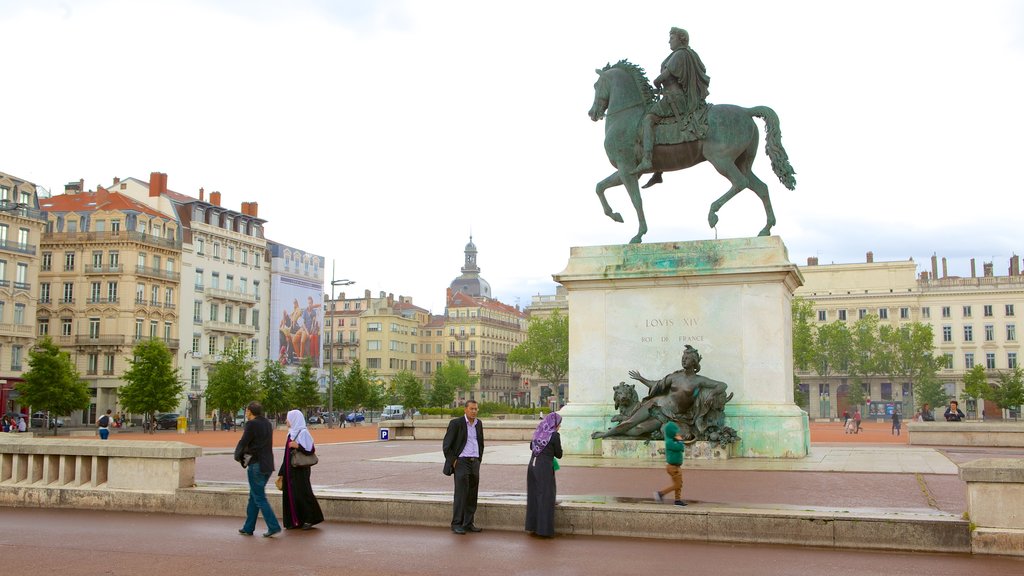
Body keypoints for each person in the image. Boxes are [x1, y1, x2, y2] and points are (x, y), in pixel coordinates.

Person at [593, 345, 730, 441]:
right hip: (656, 404)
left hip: (669, 415)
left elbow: (722, 385)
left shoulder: (699, 381)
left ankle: (615, 433)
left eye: (686, 358)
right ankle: (606, 434)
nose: (683, 360)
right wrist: (641, 379)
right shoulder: (675, 376)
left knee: (639, 429)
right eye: (683, 357)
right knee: (631, 421)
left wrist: (712, 394)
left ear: (694, 362)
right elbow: (656, 385)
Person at [634, 27, 711, 174]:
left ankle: (647, 160)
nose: (669, 40)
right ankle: (658, 171)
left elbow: (666, 74)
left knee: (648, 119)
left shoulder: (680, 54)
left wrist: (656, 81)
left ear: (681, 39)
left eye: (672, 37)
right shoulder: (686, 54)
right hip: (674, 96)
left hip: (675, 99)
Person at [233, 401, 281, 537]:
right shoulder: (267, 423)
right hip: (268, 464)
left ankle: (273, 526)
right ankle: (248, 527)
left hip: (256, 464)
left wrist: (237, 455)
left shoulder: (251, 424)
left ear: (249, 411)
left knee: (259, 497)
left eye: (247, 411)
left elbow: (244, 441)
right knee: (254, 496)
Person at [442, 400, 484, 535]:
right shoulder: (456, 424)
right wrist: (454, 461)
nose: (474, 411)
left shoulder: (479, 424)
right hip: (461, 462)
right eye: (472, 409)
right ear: (465, 410)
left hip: (474, 462)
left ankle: (468, 523)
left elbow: (480, 443)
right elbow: (447, 446)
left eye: (476, 409)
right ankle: (456, 523)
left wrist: (478, 459)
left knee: (472, 494)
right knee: (461, 493)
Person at [278, 410, 324, 530]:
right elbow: (286, 455)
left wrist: (298, 446)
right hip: (290, 470)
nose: (286, 421)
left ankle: (310, 518)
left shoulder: (303, 432)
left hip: (300, 469)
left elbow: (311, 450)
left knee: (303, 493)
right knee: (292, 495)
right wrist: (282, 472)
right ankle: (294, 521)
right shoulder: (290, 434)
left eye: (288, 418)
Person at [525, 412, 562, 538]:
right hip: (544, 467)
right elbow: (559, 454)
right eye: (559, 424)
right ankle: (544, 530)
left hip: (532, 466)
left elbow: (532, 447)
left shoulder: (537, 433)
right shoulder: (554, 435)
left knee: (534, 496)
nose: (559, 427)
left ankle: (532, 527)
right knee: (546, 497)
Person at [654, 420, 686, 507]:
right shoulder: (669, 442)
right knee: (677, 484)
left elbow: (682, 448)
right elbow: (680, 447)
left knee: (679, 484)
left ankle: (677, 500)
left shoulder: (673, 440)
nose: (677, 433)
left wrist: (679, 440)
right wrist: (679, 440)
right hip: (672, 467)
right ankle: (660, 494)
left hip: (677, 466)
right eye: (675, 432)